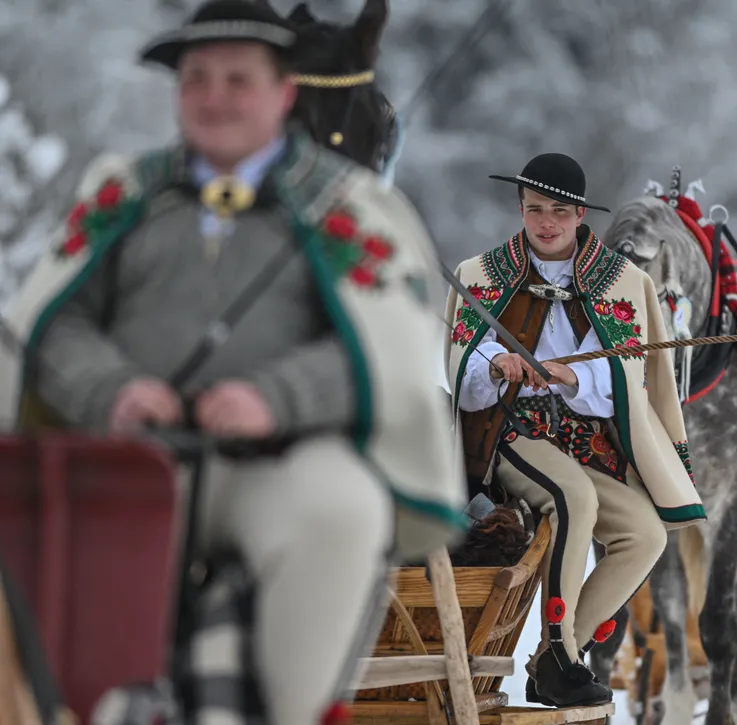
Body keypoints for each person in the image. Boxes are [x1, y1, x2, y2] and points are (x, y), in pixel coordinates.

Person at [0, 1, 466, 722]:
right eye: (198, 79)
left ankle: (294, 708)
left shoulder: (348, 207)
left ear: (284, 93)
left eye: (238, 79)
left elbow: (386, 348)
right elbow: (52, 327)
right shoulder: (126, 190)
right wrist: (109, 389)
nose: (215, 97)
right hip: (125, 457)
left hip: (277, 462)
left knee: (343, 505)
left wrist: (275, 398)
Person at [443, 153, 706, 708]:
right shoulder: (479, 275)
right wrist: (494, 366)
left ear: (581, 213)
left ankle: (552, 659)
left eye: (559, 211)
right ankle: (563, 658)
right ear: (520, 208)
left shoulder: (624, 283)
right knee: (572, 495)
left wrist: (571, 375)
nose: (546, 222)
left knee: (646, 534)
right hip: (508, 434)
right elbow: (461, 373)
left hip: (588, 441)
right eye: (535, 210)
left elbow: (629, 379)